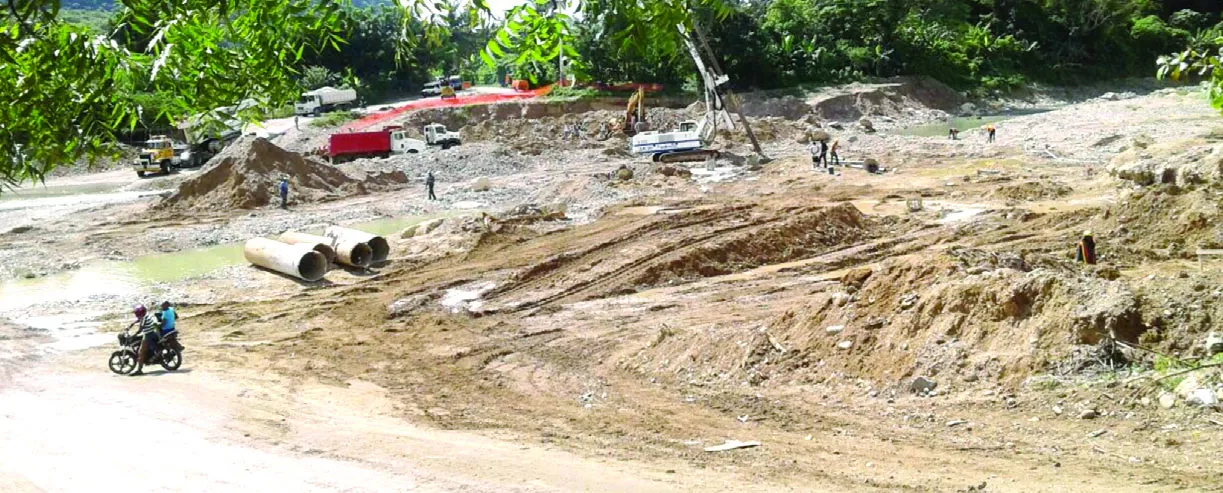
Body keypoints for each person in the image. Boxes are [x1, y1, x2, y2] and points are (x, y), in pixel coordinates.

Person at [127, 304, 160, 376]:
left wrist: (133, 336)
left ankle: (139, 370)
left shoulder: (143, 319)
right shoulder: (146, 316)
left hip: (148, 335)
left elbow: (140, 330)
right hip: (153, 333)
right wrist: (131, 324)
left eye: (137, 313)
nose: (136, 314)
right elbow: (138, 320)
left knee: (141, 352)